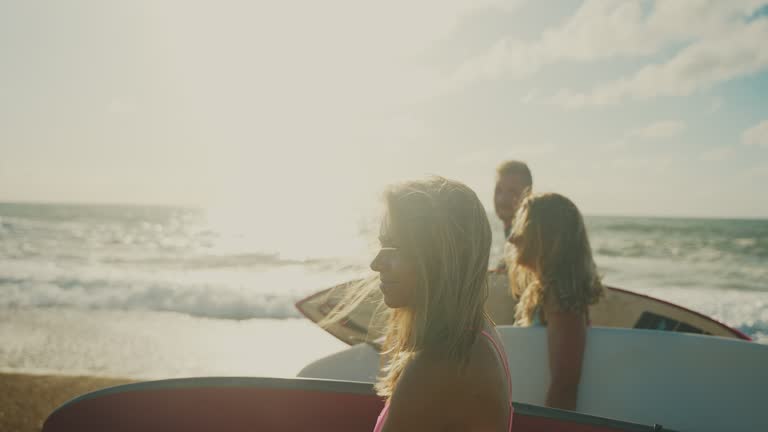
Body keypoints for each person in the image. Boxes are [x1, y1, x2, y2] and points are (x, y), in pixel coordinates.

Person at [327, 176, 513, 431]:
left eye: (395, 248)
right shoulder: (478, 335)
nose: (376, 264)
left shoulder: (439, 365)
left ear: (438, 258)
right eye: (382, 244)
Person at [506, 192, 603, 410]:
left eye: (523, 228)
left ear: (547, 238)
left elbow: (564, 385)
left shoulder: (561, 296)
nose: (512, 238)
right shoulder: (545, 292)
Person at [494, 161, 533, 272]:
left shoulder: (531, 242)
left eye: (512, 192)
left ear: (528, 194)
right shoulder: (511, 234)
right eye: (499, 190)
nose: (502, 199)